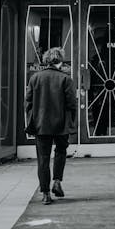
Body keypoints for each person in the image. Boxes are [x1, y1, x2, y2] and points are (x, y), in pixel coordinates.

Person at [25, 47, 77, 205]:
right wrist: (71, 122)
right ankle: (57, 182)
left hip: (41, 124)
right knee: (61, 152)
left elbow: (28, 102)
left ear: (46, 60)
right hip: (61, 125)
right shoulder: (66, 79)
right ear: (60, 61)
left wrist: (31, 121)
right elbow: (71, 104)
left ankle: (46, 193)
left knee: (43, 158)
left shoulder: (35, 78)